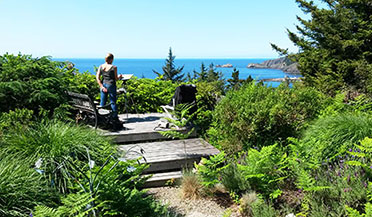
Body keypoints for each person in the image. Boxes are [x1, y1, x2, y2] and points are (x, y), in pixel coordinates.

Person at [96, 53, 122, 119]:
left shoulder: (101, 66)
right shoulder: (114, 67)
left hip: (103, 85)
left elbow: (97, 77)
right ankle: (114, 117)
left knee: (102, 102)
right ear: (111, 59)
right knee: (113, 102)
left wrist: (101, 86)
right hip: (111, 85)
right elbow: (116, 78)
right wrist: (119, 76)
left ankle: (101, 117)